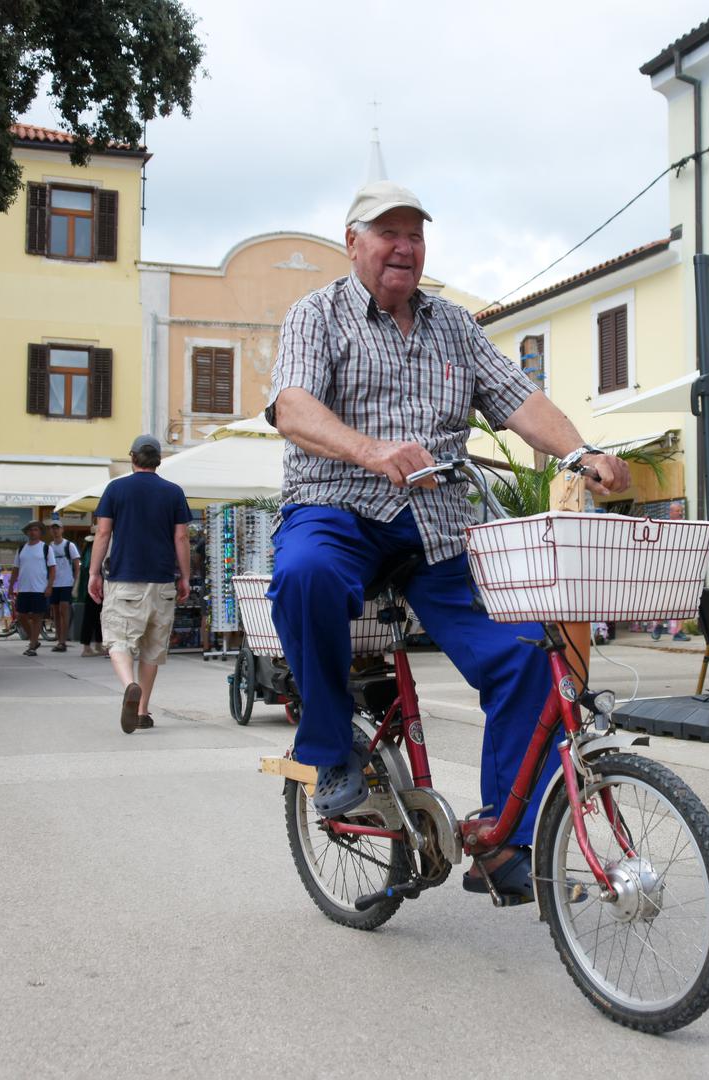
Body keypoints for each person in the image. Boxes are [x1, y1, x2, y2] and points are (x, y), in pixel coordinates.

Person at [265, 179, 631, 902]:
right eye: (388, 232)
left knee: (528, 653)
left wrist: (580, 453)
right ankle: (332, 755)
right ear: (353, 243)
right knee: (304, 574)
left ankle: (504, 841)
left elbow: (520, 399)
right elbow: (292, 406)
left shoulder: (454, 327)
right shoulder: (318, 314)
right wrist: (369, 450)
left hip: (436, 529)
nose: (404, 246)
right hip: (338, 507)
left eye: (415, 234)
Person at [89, 436, 193, 733]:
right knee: (152, 649)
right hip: (162, 581)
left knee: (118, 641)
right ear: (158, 459)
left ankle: (129, 684)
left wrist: (94, 573)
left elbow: (103, 534)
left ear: (132, 457)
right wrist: (184, 576)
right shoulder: (173, 492)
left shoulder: (116, 488)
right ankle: (143, 711)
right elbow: (181, 537)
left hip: (125, 580)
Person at [14, 521, 55, 656]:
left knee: (38, 617)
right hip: (24, 588)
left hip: (40, 588)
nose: (33, 532)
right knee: (21, 616)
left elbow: (52, 569)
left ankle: (32, 645)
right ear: (27, 532)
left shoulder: (46, 548)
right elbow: (16, 568)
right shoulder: (21, 549)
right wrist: (11, 586)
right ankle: (34, 639)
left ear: (40, 532)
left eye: (36, 530)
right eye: (30, 530)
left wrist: (49, 586)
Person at [46, 522, 80, 653]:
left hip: (67, 583)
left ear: (62, 530)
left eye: (57, 528)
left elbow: (77, 566)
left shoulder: (69, 545)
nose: (55, 531)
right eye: (52, 528)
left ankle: (63, 641)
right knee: (55, 612)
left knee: (64, 610)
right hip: (54, 583)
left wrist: (76, 583)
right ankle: (59, 638)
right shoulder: (49, 547)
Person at [76, 524, 106, 657]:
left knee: (97, 617)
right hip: (95, 588)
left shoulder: (87, 550)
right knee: (93, 617)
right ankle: (88, 647)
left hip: (91, 588)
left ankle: (97, 645)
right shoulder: (93, 552)